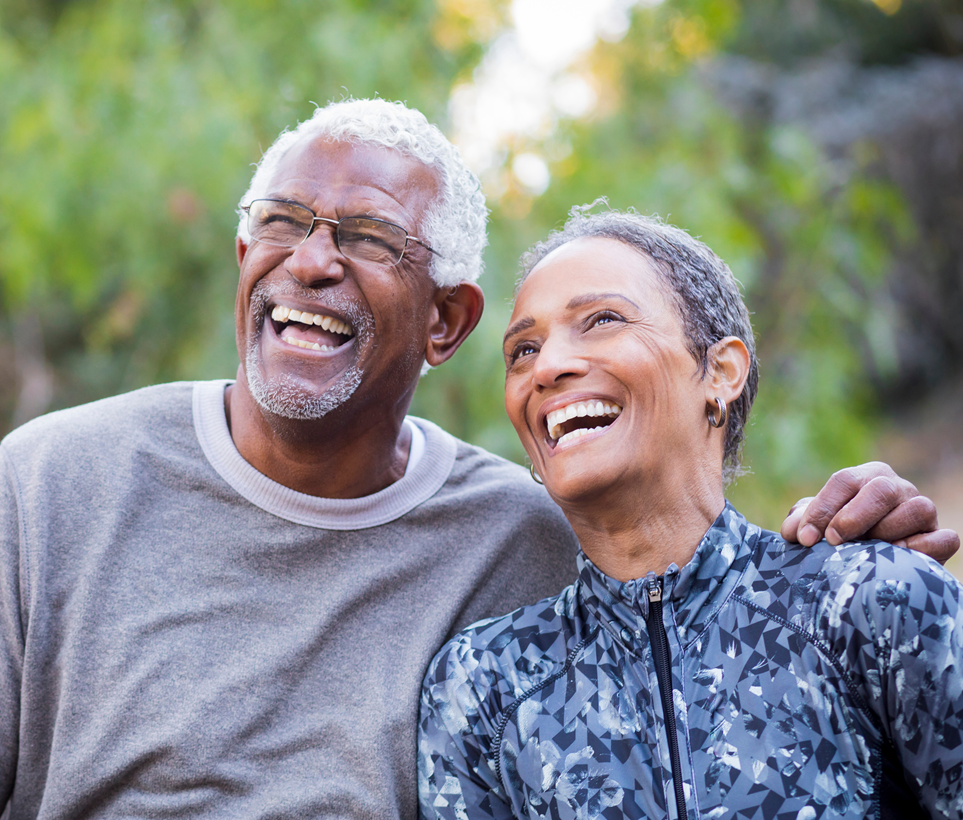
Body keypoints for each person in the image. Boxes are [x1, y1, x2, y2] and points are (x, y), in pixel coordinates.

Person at [0, 99, 954, 820]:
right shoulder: (490, 678)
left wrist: (854, 556)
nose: (311, 261)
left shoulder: (529, 543)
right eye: (282, 223)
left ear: (445, 323)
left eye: (368, 237)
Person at [418, 206, 963, 820]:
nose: (546, 367)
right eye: (523, 350)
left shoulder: (868, 602)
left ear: (721, 372)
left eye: (602, 320)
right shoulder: (481, 687)